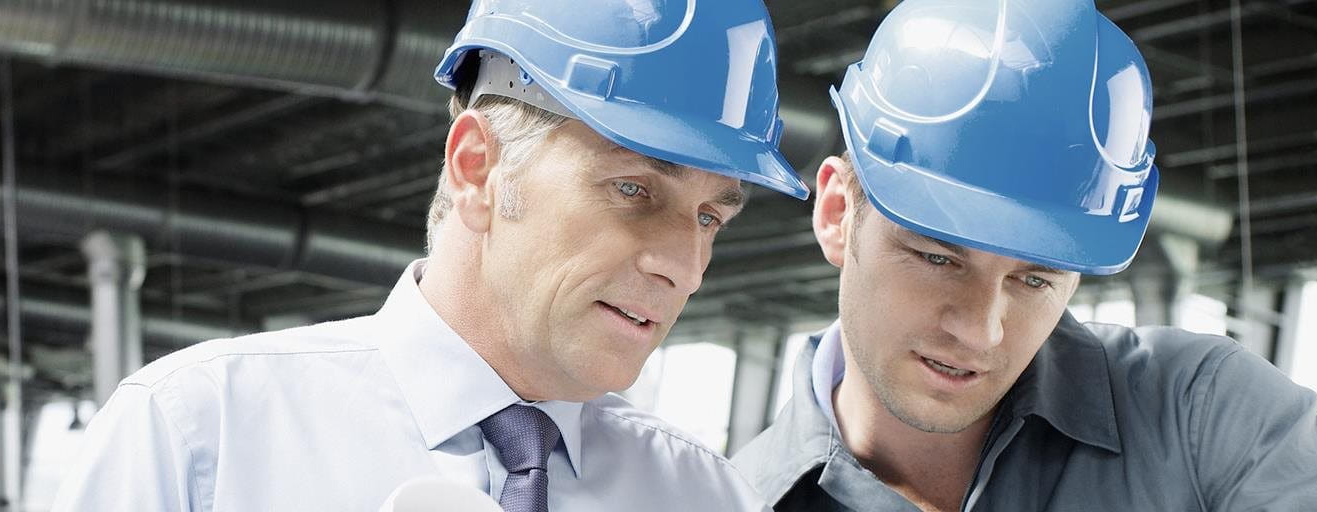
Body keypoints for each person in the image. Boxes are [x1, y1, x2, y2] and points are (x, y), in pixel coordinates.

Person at [56, 0, 809, 510]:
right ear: (477, 168)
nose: (684, 264)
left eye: (712, 216)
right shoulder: (201, 437)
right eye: (634, 191)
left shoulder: (698, 495)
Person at [727, 1, 1317, 510]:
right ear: (839, 216)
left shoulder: (1209, 419)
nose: (981, 330)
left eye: (1036, 277)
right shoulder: (731, 499)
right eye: (938, 258)